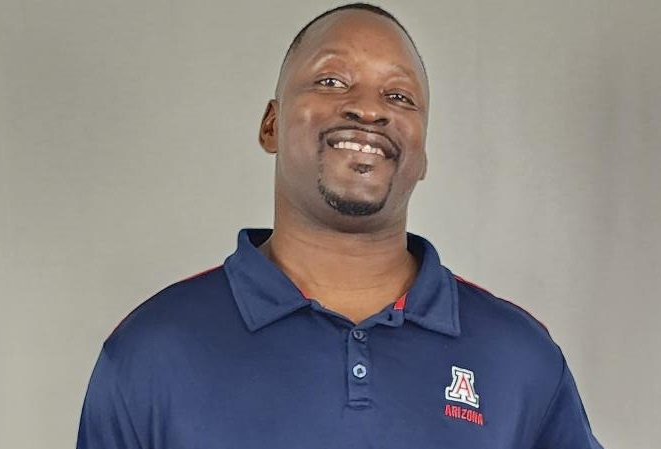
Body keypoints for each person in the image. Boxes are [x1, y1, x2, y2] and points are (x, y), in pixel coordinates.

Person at [77, 3, 603, 448]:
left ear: (422, 153)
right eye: (331, 81)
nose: (368, 110)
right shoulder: (152, 350)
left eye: (399, 96)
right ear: (271, 125)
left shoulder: (520, 357)